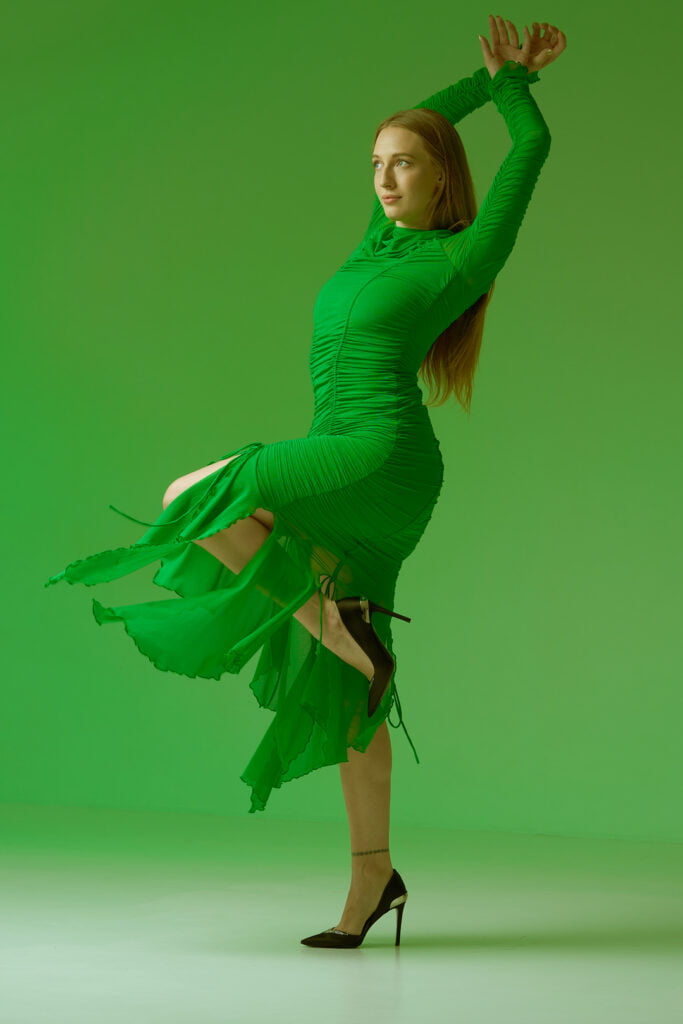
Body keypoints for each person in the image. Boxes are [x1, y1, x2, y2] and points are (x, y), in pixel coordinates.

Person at [44, 16, 566, 948]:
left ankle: (334, 626)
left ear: (442, 176)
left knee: (191, 496)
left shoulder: (462, 253)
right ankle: (373, 883)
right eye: (376, 163)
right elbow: (406, 119)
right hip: (347, 448)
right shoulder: (375, 242)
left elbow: (532, 145)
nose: (384, 176)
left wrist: (512, 92)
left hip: (379, 454)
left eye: (404, 164)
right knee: (347, 690)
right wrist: (477, 78)